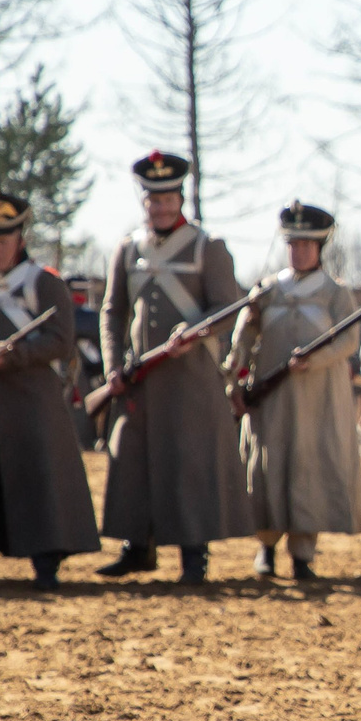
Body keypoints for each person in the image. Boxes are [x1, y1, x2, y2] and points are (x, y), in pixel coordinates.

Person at [97, 151, 253, 584]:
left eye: (168, 199)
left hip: (190, 376)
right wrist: (113, 366)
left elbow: (228, 307)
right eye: (153, 200)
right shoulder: (129, 249)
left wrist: (195, 330)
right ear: (144, 202)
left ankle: (193, 555)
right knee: (132, 458)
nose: (161, 207)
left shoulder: (208, 246)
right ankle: (136, 547)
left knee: (188, 463)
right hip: (140, 378)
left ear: (180, 199)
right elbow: (113, 312)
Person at [0, 183, 99, 587]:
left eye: (2, 238)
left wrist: (16, 356)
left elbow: (61, 340)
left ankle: (46, 561)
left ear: (20, 239)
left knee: (38, 475)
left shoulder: (44, 281)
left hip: (31, 398)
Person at [227, 200, 361, 581]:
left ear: (319, 247)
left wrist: (314, 361)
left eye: (307, 244)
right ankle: (266, 548)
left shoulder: (335, 293)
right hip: (270, 400)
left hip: (318, 400)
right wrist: (238, 368)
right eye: (293, 244)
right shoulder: (268, 290)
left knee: (308, 471)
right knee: (267, 469)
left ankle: (303, 554)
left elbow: (349, 341)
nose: (299, 251)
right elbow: (243, 343)